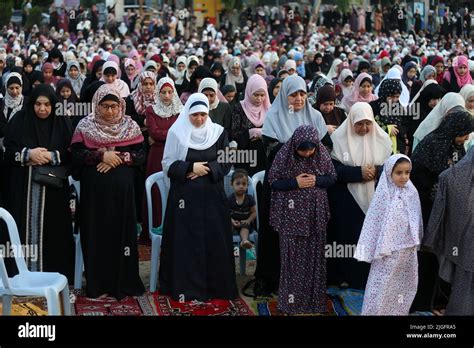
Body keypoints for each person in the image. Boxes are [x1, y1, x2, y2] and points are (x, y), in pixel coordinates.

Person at [254, 75, 330, 295]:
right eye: (293, 94)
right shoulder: (274, 117)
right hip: (282, 187)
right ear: (285, 95)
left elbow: (326, 149)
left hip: (310, 187)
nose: (298, 99)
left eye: (302, 94)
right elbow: (270, 152)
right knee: (274, 233)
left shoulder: (314, 116)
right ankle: (272, 277)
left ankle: (305, 279)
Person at [159, 93, 238, 301]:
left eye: (203, 115)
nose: (199, 119)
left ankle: (216, 288)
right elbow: (167, 164)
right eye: (195, 115)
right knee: (187, 242)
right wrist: (189, 167)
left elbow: (227, 161)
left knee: (215, 240)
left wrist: (208, 169)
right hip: (184, 199)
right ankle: (186, 287)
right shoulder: (177, 133)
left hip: (213, 196)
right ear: (188, 114)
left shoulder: (218, 133)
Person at [71, 84, 145, 299]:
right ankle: (98, 283)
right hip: (95, 199)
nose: (110, 111)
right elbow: (75, 155)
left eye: (114, 106)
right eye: (105, 106)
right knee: (97, 234)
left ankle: (123, 282)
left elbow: (141, 155)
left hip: (122, 198)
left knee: (122, 237)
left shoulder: (130, 126)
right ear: (97, 105)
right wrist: (101, 156)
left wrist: (119, 158)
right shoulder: (85, 126)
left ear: (121, 106)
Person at [3, 84, 75, 282]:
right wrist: (28, 154)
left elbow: (72, 154)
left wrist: (50, 156)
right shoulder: (19, 120)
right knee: (19, 231)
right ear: (31, 104)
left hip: (53, 192)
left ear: (53, 105)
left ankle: (53, 276)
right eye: (38, 104)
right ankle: (19, 275)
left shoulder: (62, 122)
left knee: (55, 235)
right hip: (22, 191)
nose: (42, 109)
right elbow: (8, 153)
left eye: (47, 105)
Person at [269, 125, 336, 314]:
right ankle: (290, 302)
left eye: (310, 149)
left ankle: (314, 301)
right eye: (303, 150)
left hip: (315, 216)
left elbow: (332, 177)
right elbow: (273, 181)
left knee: (314, 257)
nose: (307, 154)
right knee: (292, 258)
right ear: (295, 146)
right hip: (291, 217)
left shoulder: (321, 153)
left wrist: (316, 180)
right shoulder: (284, 155)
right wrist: (294, 183)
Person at [410, 110, 473, 312]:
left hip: (449, 210)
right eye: (464, 133)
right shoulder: (432, 144)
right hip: (426, 210)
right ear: (454, 129)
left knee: (444, 255)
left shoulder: (457, 147)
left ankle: (438, 301)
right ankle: (421, 303)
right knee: (427, 256)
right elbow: (417, 175)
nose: (466, 138)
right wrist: (437, 188)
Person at [327, 102, 392, 290]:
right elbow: (332, 171)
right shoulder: (338, 139)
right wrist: (358, 173)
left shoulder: (383, 139)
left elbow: (394, 167)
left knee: (371, 239)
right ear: (351, 122)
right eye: (359, 124)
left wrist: (376, 171)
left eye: (367, 123)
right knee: (349, 239)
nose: (364, 128)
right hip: (346, 199)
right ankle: (347, 277)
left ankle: (368, 279)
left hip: (376, 198)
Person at [355, 154, 423, 315]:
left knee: (404, 282)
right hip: (386, 250)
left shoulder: (412, 192)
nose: (404, 177)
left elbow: (416, 219)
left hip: (407, 248)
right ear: (389, 173)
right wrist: (370, 249)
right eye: (399, 173)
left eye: (407, 172)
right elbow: (373, 223)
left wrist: (416, 240)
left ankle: (398, 311)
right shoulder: (383, 196)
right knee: (382, 282)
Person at [423, 146, 474, 315]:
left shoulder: (453, 177)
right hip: (466, 244)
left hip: (462, 246)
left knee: (463, 284)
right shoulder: (455, 179)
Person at [142, 77, 182, 237]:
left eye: (169, 92)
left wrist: (164, 135)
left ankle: (175, 231)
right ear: (158, 93)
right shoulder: (151, 109)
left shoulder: (181, 110)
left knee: (174, 189)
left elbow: (182, 133)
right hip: (157, 155)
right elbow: (154, 133)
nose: (166, 95)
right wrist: (173, 134)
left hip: (175, 154)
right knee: (157, 191)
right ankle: (154, 228)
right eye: (163, 92)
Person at [230, 74, 270, 176]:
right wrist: (250, 133)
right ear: (248, 92)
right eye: (256, 95)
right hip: (245, 157)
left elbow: (275, 133)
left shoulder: (268, 108)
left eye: (262, 95)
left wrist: (262, 133)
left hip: (264, 156)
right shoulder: (239, 108)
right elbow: (234, 135)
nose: (260, 99)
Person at [228, 168, 257, 249]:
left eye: (244, 184)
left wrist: (248, 220)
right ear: (231, 184)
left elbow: (254, 212)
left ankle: (244, 241)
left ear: (247, 185)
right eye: (237, 184)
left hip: (245, 222)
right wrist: (232, 221)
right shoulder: (230, 199)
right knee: (228, 225)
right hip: (234, 222)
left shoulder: (249, 198)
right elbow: (225, 213)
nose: (241, 186)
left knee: (245, 227)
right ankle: (227, 243)